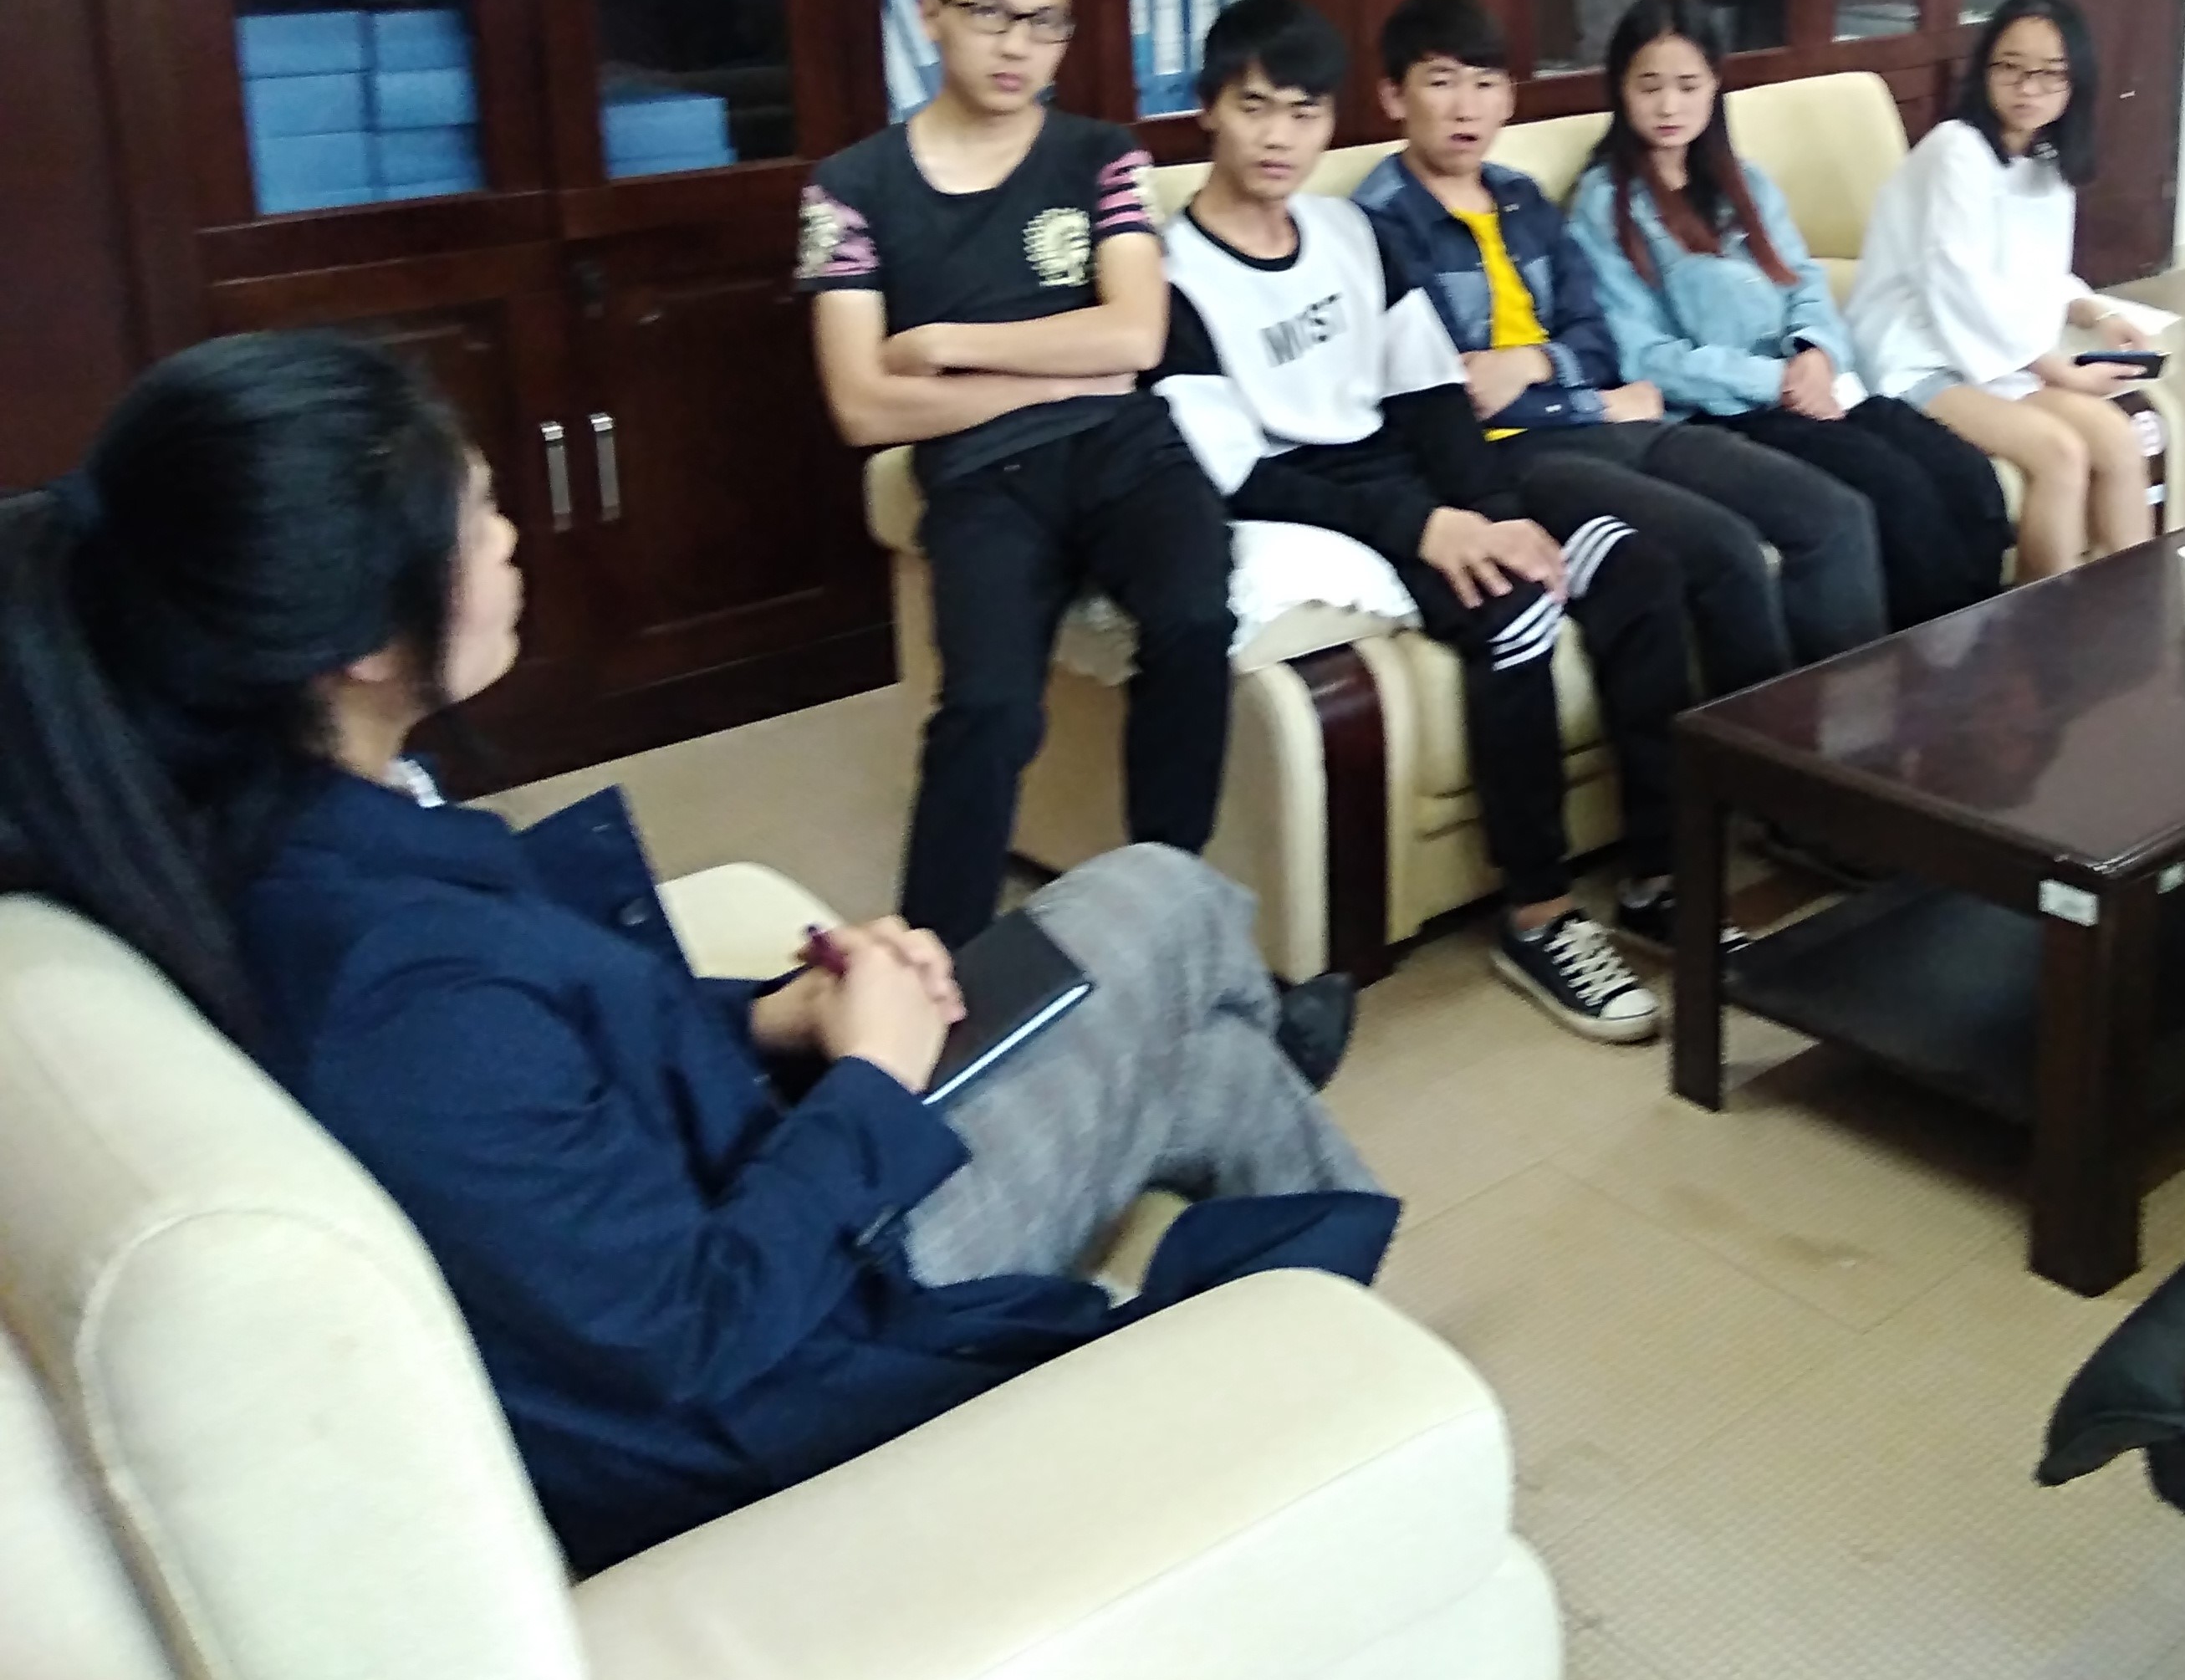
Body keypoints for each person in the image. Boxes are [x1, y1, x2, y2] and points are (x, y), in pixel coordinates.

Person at [0, 331, 1391, 1574]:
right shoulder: (393, 990)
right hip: (806, 1334)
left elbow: (560, 1087)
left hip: (742, 1183)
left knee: (1215, 1074)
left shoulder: (287, 826)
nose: (511, 536)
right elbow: (689, 1335)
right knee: (1164, 894)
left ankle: (1349, 1412)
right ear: (359, 643)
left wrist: (770, 1022)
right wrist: (870, 1082)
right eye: (477, 513)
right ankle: (1338, 1384)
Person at [1155, 0, 1699, 1045]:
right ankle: (1538, 916)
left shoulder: (1349, 231)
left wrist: (1489, 512)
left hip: (1412, 471)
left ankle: (1658, 875)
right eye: (1254, 108)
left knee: (1638, 571)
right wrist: (1425, 530)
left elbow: (1430, 396)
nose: (1278, 137)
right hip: (1315, 500)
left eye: (1304, 112)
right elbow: (1239, 477)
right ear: (1208, 110)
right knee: (1514, 615)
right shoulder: (1176, 276)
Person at [797, 0, 1232, 942]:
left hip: (1126, 451)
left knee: (1193, 620)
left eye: (1046, 23)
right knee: (988, 707)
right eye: (989, 13)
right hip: (981, 478)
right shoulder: (848, 189)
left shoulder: (1103, 156)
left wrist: (946, 341)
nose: (1017, 46)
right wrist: (1057, 372)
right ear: (930, 14)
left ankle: (1171, 917)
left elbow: (1134, 335)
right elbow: (861, 406)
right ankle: (933, 964)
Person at [1353, 0, 1886, 685]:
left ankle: (1849, 738)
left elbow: (1594, 338)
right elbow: (1454, 396)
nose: (1465, 108)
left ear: (1508, 98)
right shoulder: (1377, 226)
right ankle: (1753, 752)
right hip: (1520, 453)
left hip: (1614, 422)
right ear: (1394, 97)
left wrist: (1535, 363)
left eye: (1484, 84)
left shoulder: (1521, 198)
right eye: (1441, 83)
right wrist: (1590, 399)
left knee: (1834, 513)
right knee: (1722, 549)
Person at [1571, 0, 2012, 630]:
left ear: (1714, 87)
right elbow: (1641, 355)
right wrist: (1776, 381)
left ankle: (1977, 648)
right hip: (1727, 412)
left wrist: (1816, 353)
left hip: (1809, 386)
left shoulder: (1743, 181)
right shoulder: (1604, 204)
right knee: (1896, 492)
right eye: (1650, 86)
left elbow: (1804, 280)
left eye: (1688, 86)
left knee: (1966, 475)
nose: (1669, 106)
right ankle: (1925, 666)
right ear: (1620, 88)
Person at [1849, 0, 2154, 581]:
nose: (2027, 89)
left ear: (2075, 83)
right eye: (2010, 68)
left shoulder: (2046, 158)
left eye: (2049, 74)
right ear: (1984, 70)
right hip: (1917, 355)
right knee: (2059, 455)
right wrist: (2058, 371)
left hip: (1997, 355)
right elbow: (1959, 284)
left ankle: (2133, 615)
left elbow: (2037, 270)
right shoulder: (1956, 150)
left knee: (2117, 441)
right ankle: (2041, 628)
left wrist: (2095, 313)